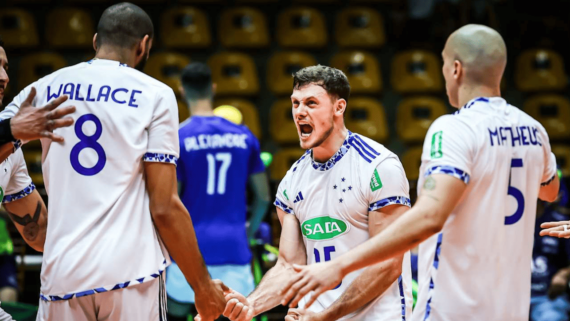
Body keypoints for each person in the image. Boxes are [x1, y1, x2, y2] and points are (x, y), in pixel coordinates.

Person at [279, 25, 560, 321]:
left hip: (451, 308)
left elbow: (429, 217)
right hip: (510, 308)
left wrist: (339, 265)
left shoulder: (452, 128)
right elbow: (550, 191)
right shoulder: (534, 131)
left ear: (455, 69)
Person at [0, 4, 226, 321]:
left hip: (63, 275)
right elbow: (164, 207)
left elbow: (3, 134)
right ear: (144, 45)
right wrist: (202, 288)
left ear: (95, 41)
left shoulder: (45, 87)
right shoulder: (155, 94)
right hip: (132, 275)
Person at [205, 65, 413, 321]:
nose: (300, 112)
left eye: (311, 103)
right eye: (295, 103)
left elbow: (388, 264)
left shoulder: (379, 167)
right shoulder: (292, 181)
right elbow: (289, 267)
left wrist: (326, 316)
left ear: (339, 108)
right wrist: (251, 304)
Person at [167, 62, 270, 321]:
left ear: (182, 91)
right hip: (233, 248)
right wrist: (247, 231)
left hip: (189, 252)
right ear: (213, 89)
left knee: (177, 311)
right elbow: (263, 198)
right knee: (230, 315)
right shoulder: (244, 136)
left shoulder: (177, 138)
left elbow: (171, 201)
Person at [0, 36, 76, 164]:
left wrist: (14, 132)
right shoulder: (9, 134)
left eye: (5, 69)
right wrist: (11, 129)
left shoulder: (11, 149)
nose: (5, 77)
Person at [531, 178, 570, 321]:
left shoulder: (559, 222)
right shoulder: (506, 222)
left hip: (547, 296)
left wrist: (564, 275)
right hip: (510, 297)